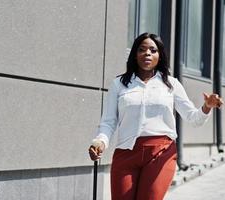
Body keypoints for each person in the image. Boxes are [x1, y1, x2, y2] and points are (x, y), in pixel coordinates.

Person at [88, 32, 224, 200]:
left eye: (153, 50)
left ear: (159, 56)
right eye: (142, 49)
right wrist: (100, 142)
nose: (147, 53)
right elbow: (109, 121)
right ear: (135, 55)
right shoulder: (119, 84)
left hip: (161, 153)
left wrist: (206, 106)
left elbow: (193, 118)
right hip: (126, 153)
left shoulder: (171, 84)